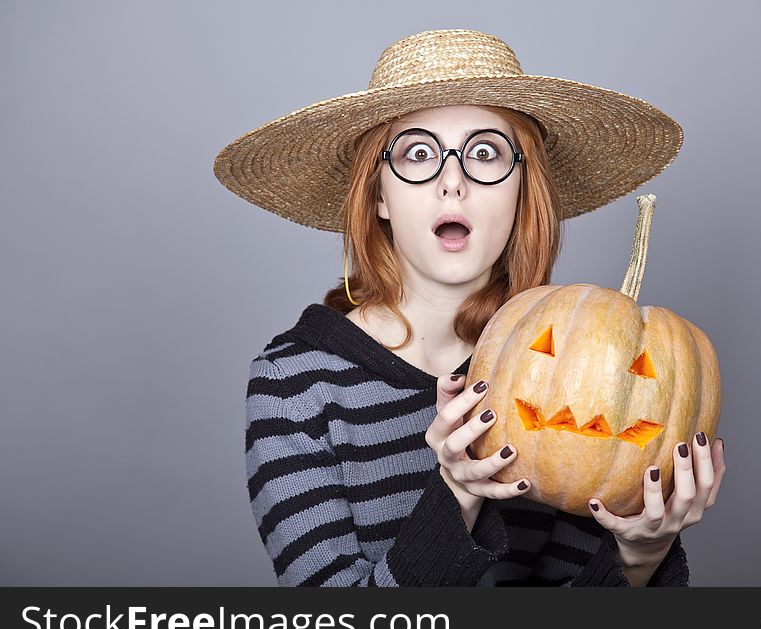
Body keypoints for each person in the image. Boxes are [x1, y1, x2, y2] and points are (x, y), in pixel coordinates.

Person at [215, 28, 727, 587]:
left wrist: (640, 555)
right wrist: (456, 495)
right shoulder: (292, 383)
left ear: (521, 191)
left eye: (485, 153)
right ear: (378, 195)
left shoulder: (577, 374)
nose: (452, 183)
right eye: (418, 154)